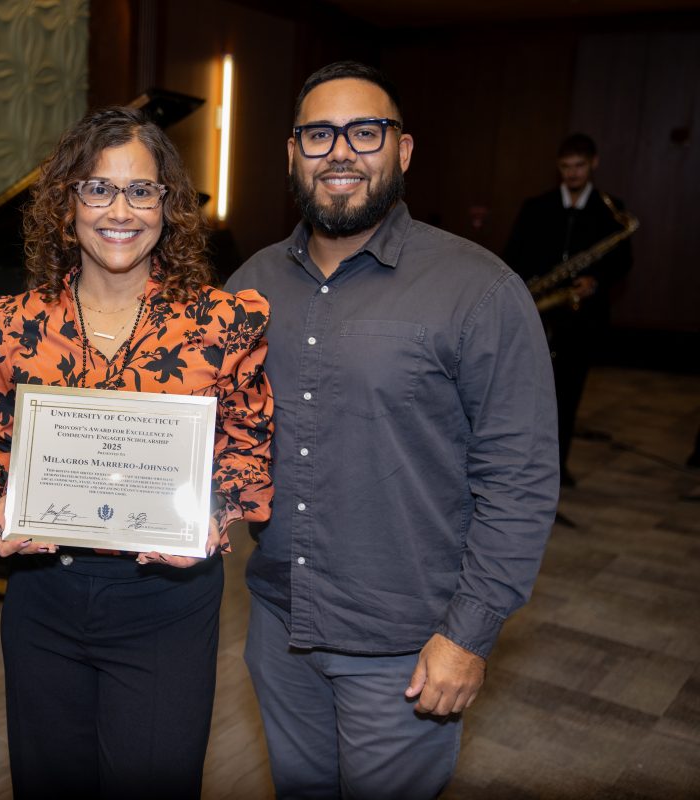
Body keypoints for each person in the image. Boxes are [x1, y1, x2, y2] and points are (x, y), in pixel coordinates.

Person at [224, 61, 559, 799]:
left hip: (407, 648)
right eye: (318, 135)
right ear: (291, 153)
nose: (340, 152)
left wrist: (468, 634)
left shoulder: (480, 290)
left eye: (364, 132)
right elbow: (215, 436)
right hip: (280, 631)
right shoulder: (246, 289)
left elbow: (521, 480)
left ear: (401, 151)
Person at [0, 106, 273, 799]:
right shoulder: (13, 326)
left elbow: (249, 450)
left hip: (166, 604)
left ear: (168, 206)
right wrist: (0, 510)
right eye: (97, 188)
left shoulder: (222, 323)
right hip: (44, 598)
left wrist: (213, 513)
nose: (121, 210)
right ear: (66, 202)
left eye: (142, 190)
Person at [504, 133, 634, 486]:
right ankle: (519, 467)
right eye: (565, 167)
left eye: (579, 166)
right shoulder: (537, 207)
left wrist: (596, 280)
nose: (572, 174)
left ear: (593, 164)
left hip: (581, 319)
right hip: (539, 311)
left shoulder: (609, 209)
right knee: (524, 394)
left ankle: (556, 468)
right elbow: (512, 254)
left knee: (568, 394)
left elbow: (622, 261)